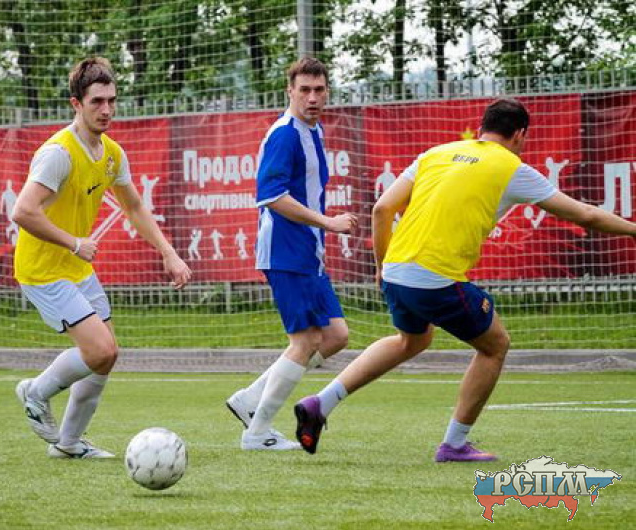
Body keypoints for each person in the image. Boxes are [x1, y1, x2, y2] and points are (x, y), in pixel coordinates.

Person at [294, 98, 636, 461]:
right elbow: (586, 215)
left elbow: (382, 209)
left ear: (482, 127)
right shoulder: (512, 167)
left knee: (412, 340)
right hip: (434, 277)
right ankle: (454, 444)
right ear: (520, 134)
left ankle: (320, 403)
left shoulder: (435, 154)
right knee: (495, 345)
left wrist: (381, 266)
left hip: (395, 269)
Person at [12, 57, 191, 459]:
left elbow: (134, 207)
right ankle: (35, 392)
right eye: (96, 101)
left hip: (75, 268)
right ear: (76, 104)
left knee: (106, 357)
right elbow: (22, 211)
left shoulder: (111, 153)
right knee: (100, 351)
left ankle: (68, 444)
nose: (106, 109)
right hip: (42, 270)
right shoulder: (58, 153)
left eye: (111, 100)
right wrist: (74, 243)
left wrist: (169, 254)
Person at [226, 57, 358, 451]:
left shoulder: (312, 131)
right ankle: (257, 432)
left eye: (319, 90)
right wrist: (327, 222)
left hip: (308, 253)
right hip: (285, 251)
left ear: (327, 92)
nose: (312, 97)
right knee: (306, 340)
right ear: (290, 91)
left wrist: (320, 234)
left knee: (335, 336)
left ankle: (251, 398)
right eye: (304, 90)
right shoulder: (284, 135)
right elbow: (271, 196)